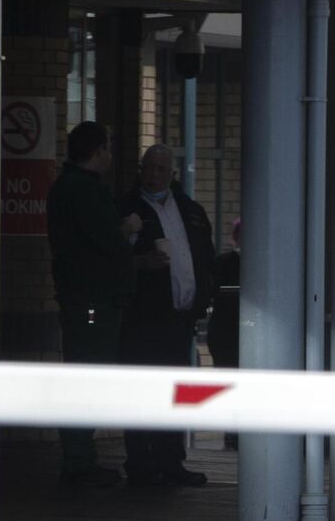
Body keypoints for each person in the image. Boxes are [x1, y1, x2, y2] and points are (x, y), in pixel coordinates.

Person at [46, 121, 140, 487]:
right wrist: (127, 228)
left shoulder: (66, 188)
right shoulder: (83, 190)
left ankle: (80, 457)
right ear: (98, 150)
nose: (111, 155)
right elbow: (105, 239)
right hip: (91, 301)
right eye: (108, 148)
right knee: (87, 371)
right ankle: (78, 460)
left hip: (83, 297)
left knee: (84, 372)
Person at [118, 144, 215, 487]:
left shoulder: (190, 210)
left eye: (160, 169)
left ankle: (171, 461)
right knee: (140, 390)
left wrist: (204, 297)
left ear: (172, 173)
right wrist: (140, 262)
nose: (153, 175)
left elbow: (205, 257)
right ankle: (141, 463)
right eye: (148, 168)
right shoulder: (125, 208)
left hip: (180, 318)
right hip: (143, 318)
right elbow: (108, 260)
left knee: (173, 390)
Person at [208, 217, 240, 450]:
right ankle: (233, 434)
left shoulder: (222, 263)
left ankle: (233, 435)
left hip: (225, 332)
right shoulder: (223, 263)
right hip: (227, 334)